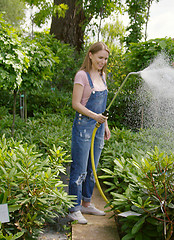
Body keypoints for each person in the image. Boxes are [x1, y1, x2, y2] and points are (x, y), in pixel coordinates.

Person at [67, 42, 111, 224]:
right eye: (100, 57)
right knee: (79, 169)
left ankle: (86, 203)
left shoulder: (103, 75)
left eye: (106, 58)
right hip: (84, 127)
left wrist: (106, 126)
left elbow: (103, 108)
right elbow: (76, 104)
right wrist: (95, 117)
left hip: (99, 128)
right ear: (91, 55)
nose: (103, 61)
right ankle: (73, 209)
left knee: (92, 169)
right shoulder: (82, 76)